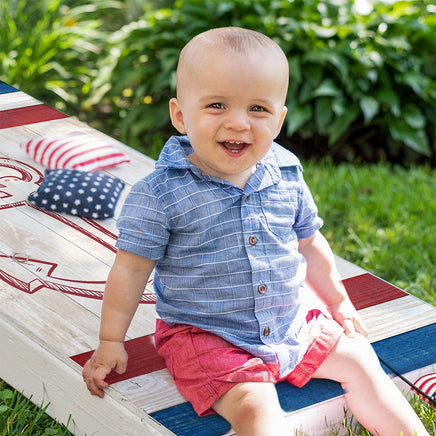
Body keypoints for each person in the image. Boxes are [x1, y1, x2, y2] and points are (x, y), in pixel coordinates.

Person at [82, 27, 429, 436]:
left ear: (279, 120)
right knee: (256, 407)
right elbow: (130, 269)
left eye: (258, 109)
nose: (238, 122)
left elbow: (309, 241)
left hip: (289, 323)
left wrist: (338, 301)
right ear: (180, 115)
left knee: (362, 360)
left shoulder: (286, 173)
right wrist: (110, 341)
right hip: (207, 336)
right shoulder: (161, 194)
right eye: (216, 105)